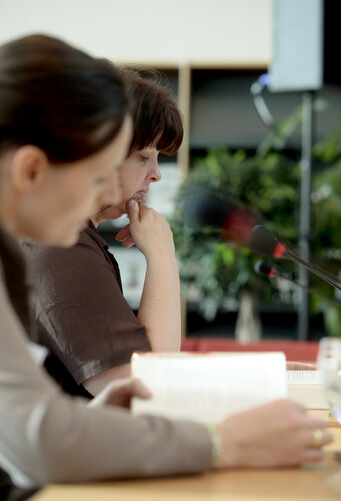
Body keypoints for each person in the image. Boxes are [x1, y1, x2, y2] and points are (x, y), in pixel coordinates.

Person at [0, 33, 332, 493]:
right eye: (98, 173)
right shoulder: (44, 248)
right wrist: (221, 443)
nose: (103, 193)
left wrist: (88, 423)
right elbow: (38, 443)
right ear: (32, 171)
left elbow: (21, 429)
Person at [24, 69, 183, 397]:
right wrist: (163, 255)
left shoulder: (67, 236)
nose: (156, 175)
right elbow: (145, 387)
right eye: (143, 157)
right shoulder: (60, 246)